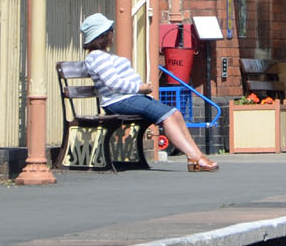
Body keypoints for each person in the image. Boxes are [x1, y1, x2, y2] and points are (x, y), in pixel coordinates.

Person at [78, 14, 218, 171]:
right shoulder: (97, 57)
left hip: (130, 98)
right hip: (118, 101)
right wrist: (140, 88)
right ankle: (194, 157)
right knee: (167, 116)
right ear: (103, 35)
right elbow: (114, 84)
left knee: (175, 113)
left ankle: (197, 155)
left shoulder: (102, 56)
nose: (113, 33)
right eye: (110, 30)